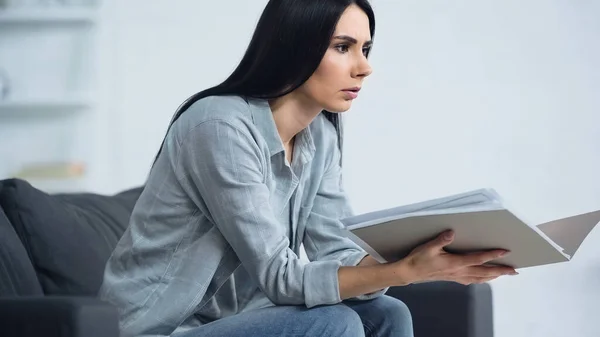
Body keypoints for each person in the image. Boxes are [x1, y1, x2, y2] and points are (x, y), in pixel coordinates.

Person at [98, 0, 518, 336]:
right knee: (333, 323)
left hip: (239, 319)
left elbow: (335, 249)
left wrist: (417, 256)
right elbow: (280, 276)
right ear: (294, 45)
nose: (364, 66)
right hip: (160, 328)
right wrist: (405, 271)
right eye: (343, 47)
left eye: (365, 49)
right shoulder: (219, 125)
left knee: (385, 313)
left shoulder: (322, 133)